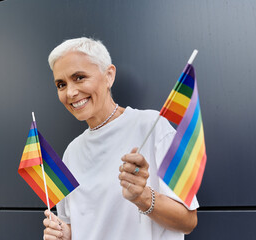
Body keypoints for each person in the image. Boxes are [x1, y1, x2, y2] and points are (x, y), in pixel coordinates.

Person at [43, 37, 198, 240]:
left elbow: (188, 221)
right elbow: (82, 227)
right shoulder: (71, 152)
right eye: (61, 84)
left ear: (109, 76)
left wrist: (142, 197)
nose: (70, 92)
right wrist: (65, 234)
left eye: (79, 77)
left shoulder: (153, 126)